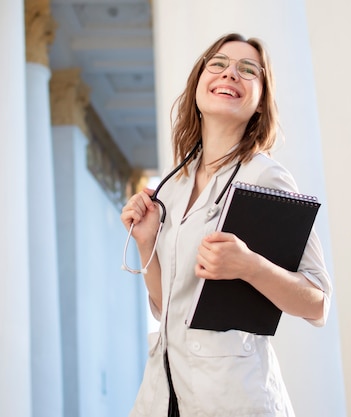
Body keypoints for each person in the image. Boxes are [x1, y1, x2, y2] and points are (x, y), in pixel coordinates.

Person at [120, 33, 332, 417]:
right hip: (163, 393)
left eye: (247, 70)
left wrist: (249, 266)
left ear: (259, 103)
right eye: (217, 64)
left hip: (233, 395)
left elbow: (318, 303)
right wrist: (146, 242)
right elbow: (166, 307)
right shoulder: (173, 184)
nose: (230, 73)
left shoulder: (266, 178)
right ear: (199, 83)